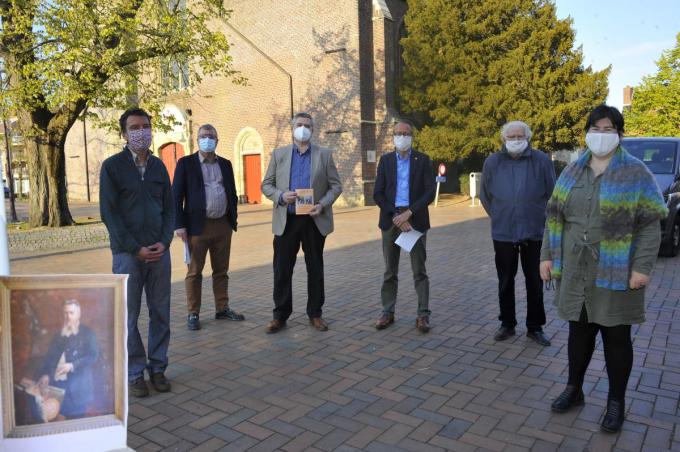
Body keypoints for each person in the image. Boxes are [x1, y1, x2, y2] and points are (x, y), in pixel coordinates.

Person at [540, 105, 666, 432]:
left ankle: (615, 402)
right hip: (576, 270)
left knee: (616, 337)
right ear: (587, 132)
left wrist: (642, 268)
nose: (602, 134)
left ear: (619, 133)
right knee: (578, 333)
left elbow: (651, 225)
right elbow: (554, 218)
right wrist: (546, 257)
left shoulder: (635, 172)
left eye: (609, 128)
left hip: (617, 272)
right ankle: (574, 388)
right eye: (596, 127)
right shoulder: (571, 171)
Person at [100, 107, 174, 398]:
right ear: (124, 133)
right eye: (134, 127)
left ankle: (157, 368)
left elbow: (169, 210)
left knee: (160, 313)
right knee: (127, 317)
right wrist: (135, 248)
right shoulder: (112, 167)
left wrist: (165, 242)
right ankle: (135, 372)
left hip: (159, 252)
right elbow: (109, 213)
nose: (141, 132)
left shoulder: (158, 167)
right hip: (127, 254)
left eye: (145, 126)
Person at [261, 112, 342, 333]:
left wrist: (322, 204)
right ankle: (280, 315)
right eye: (299, 125)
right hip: (287, 220)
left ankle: (315, 313)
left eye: (307, 125)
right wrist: (280, 195)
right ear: (292, 128)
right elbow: (266, 185)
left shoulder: (324, 155)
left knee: (315, 268)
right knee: (282, 269)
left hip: (314, 220)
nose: (303, 128)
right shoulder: (279, 154)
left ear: (313, 130)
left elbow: (336, 186)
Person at [480, 120, 555, 346]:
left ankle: (535, 327)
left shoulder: (541, 160)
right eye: (510, 137)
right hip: (503, 232)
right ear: (503, 139)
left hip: (534, 231)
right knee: (505, 280)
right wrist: (500, 215)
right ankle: (507, 323)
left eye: (519, 136)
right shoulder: (493, 162)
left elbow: (552, 193)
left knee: (535, 281)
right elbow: (485, 195)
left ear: (527, 138)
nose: (515, 140)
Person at [173, 124, 244, 331]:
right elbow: (175, 196)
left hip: (223, 225)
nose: (207, 139)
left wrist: (233, 219)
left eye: (211, 136)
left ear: (217, 140)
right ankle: (193, 313)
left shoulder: (226, 164)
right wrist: (179, 225)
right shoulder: (186, 164)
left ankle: (222, 308)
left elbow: (231, 192)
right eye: (204, 136)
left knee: (221, 271)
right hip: (197, 227)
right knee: (194, 272)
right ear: (197, 139)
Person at [373, 120, 436, 333]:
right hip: (391, 220)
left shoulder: (423, 160)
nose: (402, 136)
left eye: (406, 133)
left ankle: (423, 315)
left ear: (412, 136)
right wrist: (395, 215)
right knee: (390, 270)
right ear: (393, 136)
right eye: (398, 133)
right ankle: (387, 312)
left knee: (419, 270)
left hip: (414, 220)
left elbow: (429, 191)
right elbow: (378, 193)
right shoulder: (386, 161)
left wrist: (409, 213)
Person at [37, 299, 99, 420]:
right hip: (57, 390)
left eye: (71, 313)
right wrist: (46, 374)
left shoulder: (88, 333)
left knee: (75, 424)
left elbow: (93, 356)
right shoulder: (58, 335)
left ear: (78, 314)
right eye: (65, 313)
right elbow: (49, 358)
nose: (68, 316)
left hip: (78, 390)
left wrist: (72, 366)